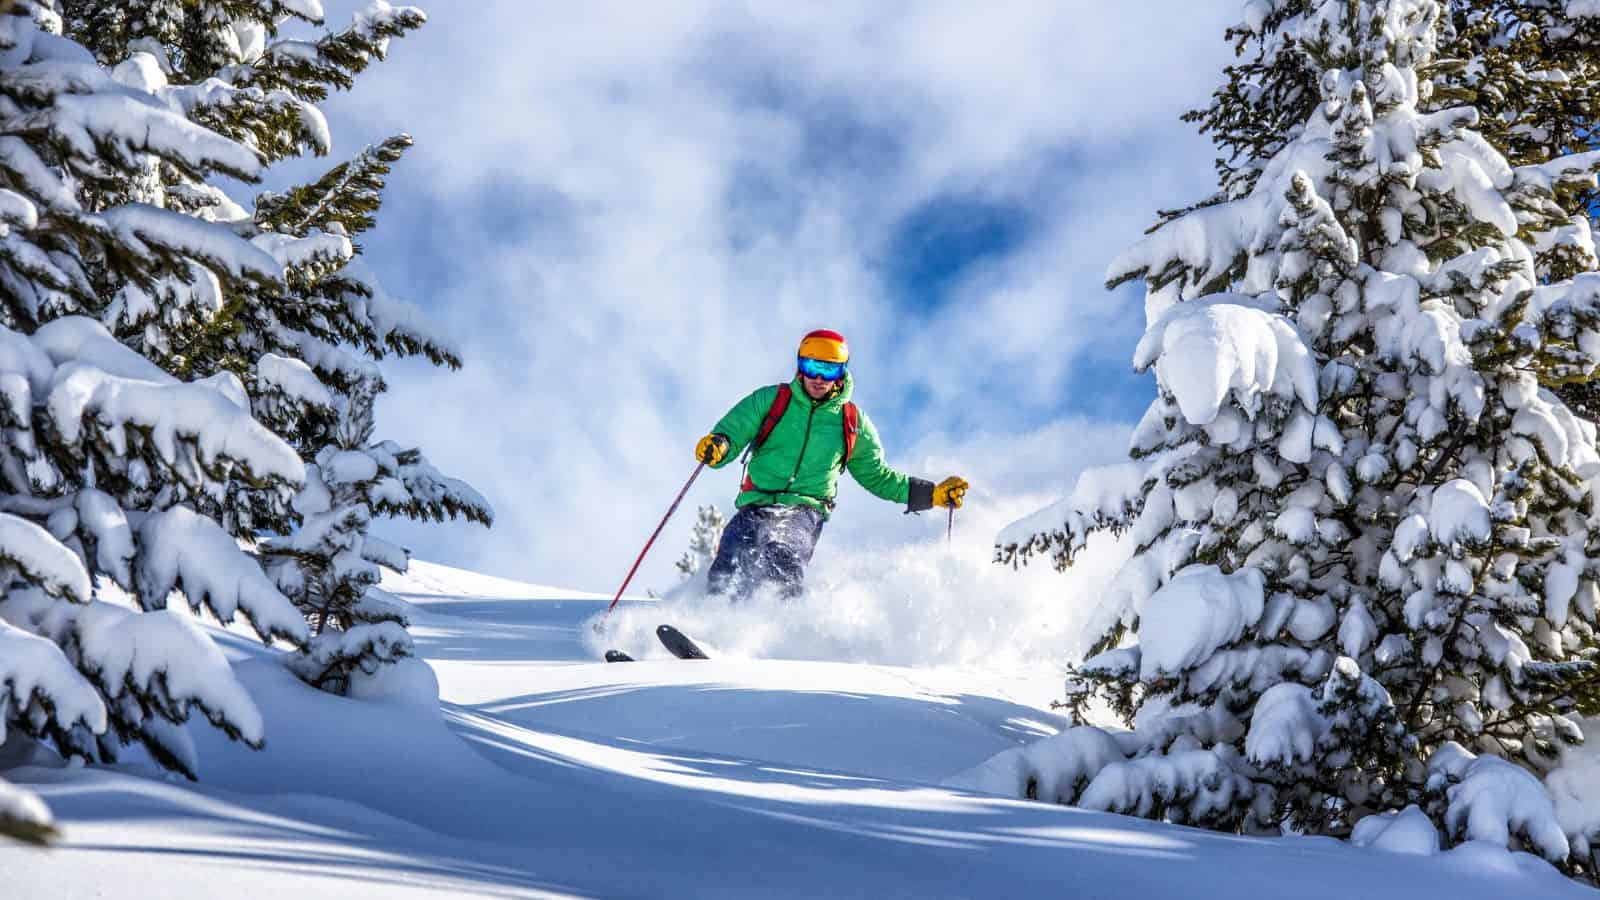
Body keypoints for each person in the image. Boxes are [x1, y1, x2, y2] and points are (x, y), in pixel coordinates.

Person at [694, 329, 968, 601]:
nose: (818, 378)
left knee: (782, 552)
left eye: (829, 370)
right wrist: (720, 445)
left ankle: (776, 625)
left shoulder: (851, 421)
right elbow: (735, 430)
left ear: (842, 373)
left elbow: (878, 476)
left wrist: (932, 494)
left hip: (805, 509)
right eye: (811, 367)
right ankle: (716, 619)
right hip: (757, 502)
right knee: (733, 550)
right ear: (800, 366)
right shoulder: (772, 400)